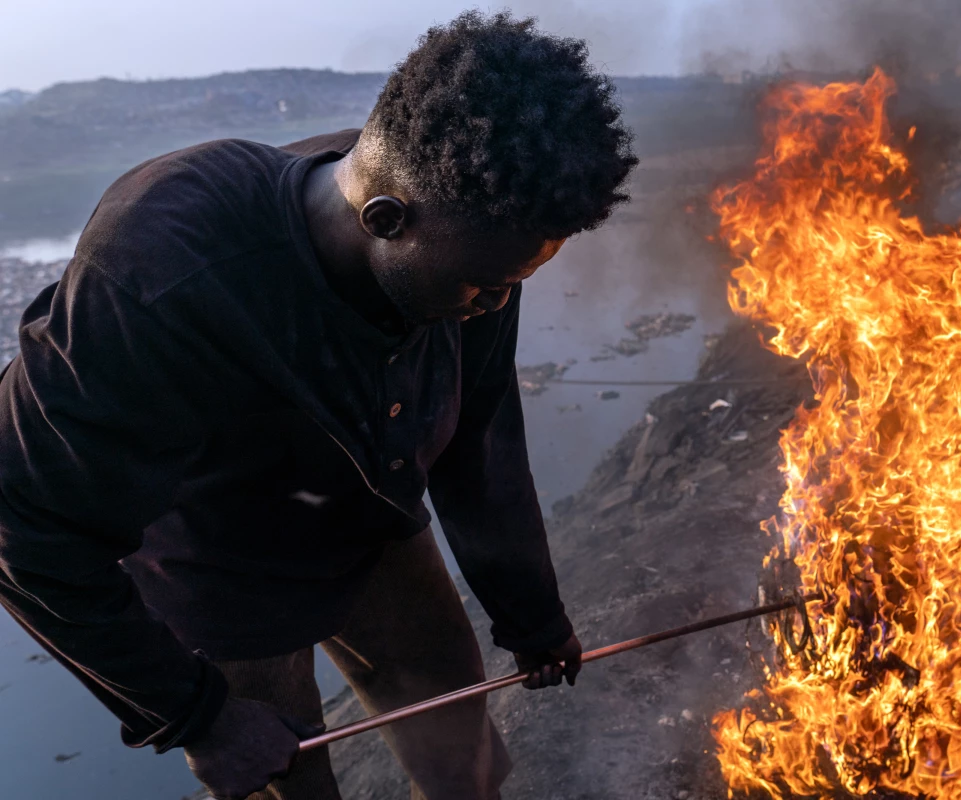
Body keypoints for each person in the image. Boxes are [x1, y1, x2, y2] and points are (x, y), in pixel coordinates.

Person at [0, 11, 636, 800]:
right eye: (484, 284)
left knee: (463, 758)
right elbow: (27, 532)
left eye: (516, 282)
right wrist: (197, 717)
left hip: (364, 519)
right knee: (286, 783)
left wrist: (531, 617)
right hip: (218, 568)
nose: (496, 304)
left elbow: (480, 432)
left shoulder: (474, 209)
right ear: (385, 221)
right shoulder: (160, 265)